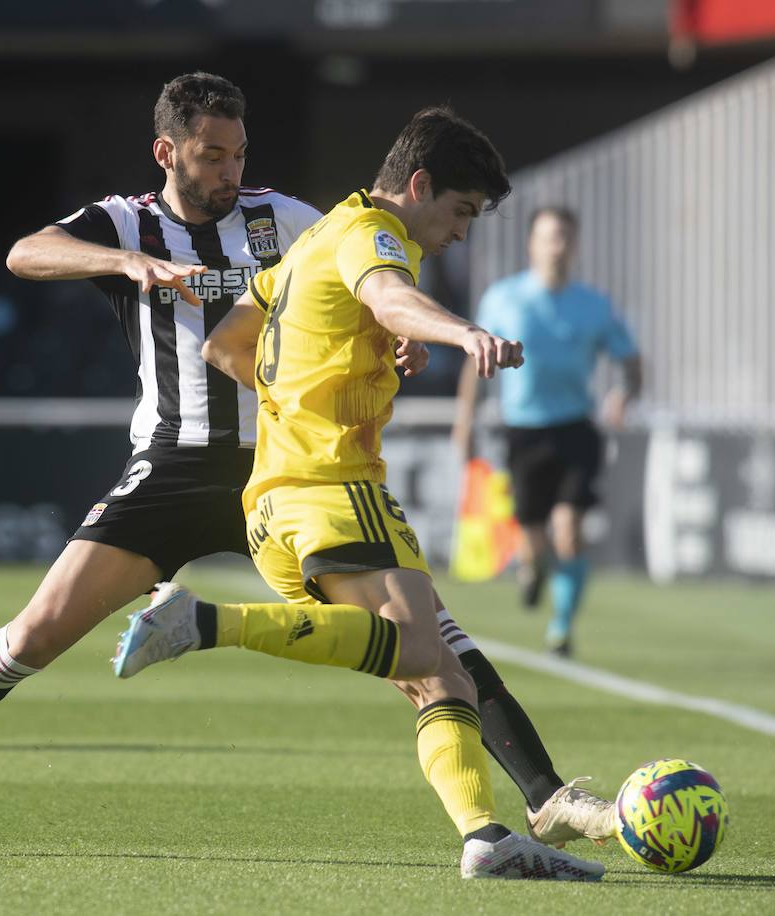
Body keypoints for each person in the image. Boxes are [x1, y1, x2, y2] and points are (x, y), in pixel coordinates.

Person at [0, 76, 610, 865]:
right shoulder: (125, 219)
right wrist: (124, 262)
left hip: (281, 468)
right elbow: (25, 252)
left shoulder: (295, 220)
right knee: (37, 632)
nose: (229, 171)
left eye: (238, 154)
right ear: (168, 152)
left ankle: (540, 798)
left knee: (430, 646)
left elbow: (366, 292)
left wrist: (384, 339)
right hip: (173, 466)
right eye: (211, 155)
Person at [112, 107, 608, 880]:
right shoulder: (374, 235)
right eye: (461, 212)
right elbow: (387, 292)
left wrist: (322, 377)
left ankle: (486, 834)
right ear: (418, 185)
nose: (461, 233)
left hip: (272, 503)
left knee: (433, 675)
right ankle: (208, 621)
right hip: (339, 488)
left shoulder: (312, 240)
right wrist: (455, 331)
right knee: (424, 653)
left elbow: (225, 344)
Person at [452, 206, 641, 656]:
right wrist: (465, 422)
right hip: (524, 431)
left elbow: (629, 358)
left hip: (576, 427)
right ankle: (532, 570)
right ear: (531, 244)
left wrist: (624, 394)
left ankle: (561, 627)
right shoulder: (503, 298)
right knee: (533, 540)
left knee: (569, 529)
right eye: (548, 237)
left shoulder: (592, 304)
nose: (556, 246)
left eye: (564, 238)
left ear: (574, 246)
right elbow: (473, 362)